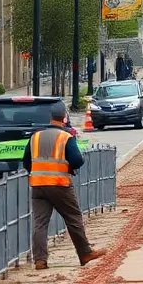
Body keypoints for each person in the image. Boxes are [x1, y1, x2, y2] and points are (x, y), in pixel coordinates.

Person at [21, 100, 105, 271]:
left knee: (40, 222)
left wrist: (37, 171)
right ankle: (85, 253)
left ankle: (40, 260)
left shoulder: (35, 136)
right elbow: (77, 160)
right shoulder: (65, 136)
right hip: (59, 184)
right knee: (73, 217)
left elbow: (26, 162)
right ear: (64, 118)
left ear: (51, 118)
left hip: (38, 184)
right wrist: (66, 167)